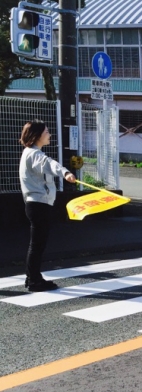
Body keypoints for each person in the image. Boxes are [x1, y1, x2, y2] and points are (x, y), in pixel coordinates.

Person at [19, 120, 76, 292]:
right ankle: (34, 280)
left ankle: (33, 278)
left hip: (36, 204)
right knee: (37, 244)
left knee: (37, 244)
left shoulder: (29, 153)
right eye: (46, 132)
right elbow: (49, 163)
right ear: (36, 136)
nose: (49, 134)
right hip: (38, 204)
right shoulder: (34, 154)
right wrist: (65, 172)